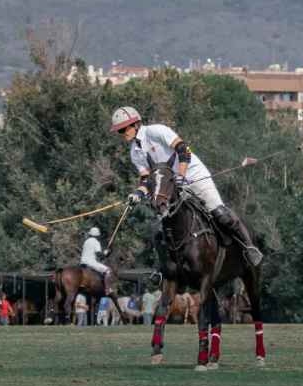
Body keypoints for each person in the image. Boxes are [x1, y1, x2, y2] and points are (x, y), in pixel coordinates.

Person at [111, 106, 263, 266]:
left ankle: (249, 246)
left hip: (193, 174)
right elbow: (146, 179)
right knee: (160, 228)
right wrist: (138, 194)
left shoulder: (156, 131)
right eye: (119, 131)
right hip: (169, 187)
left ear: (135, 124)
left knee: (219, 213)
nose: (122, 133)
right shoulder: (134, 152)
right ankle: (164, 269)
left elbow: (183, 150)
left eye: (123, 129)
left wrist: (181, 176)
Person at [80, 226, 115, 295]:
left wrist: (105, 253)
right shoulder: (96, 242)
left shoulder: (86, 241)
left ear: (90, 234)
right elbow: (100, 255)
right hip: (91, 262)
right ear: (97, 235)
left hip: (82, 262)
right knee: (108, 270)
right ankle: (107, 289)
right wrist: (106, 252)